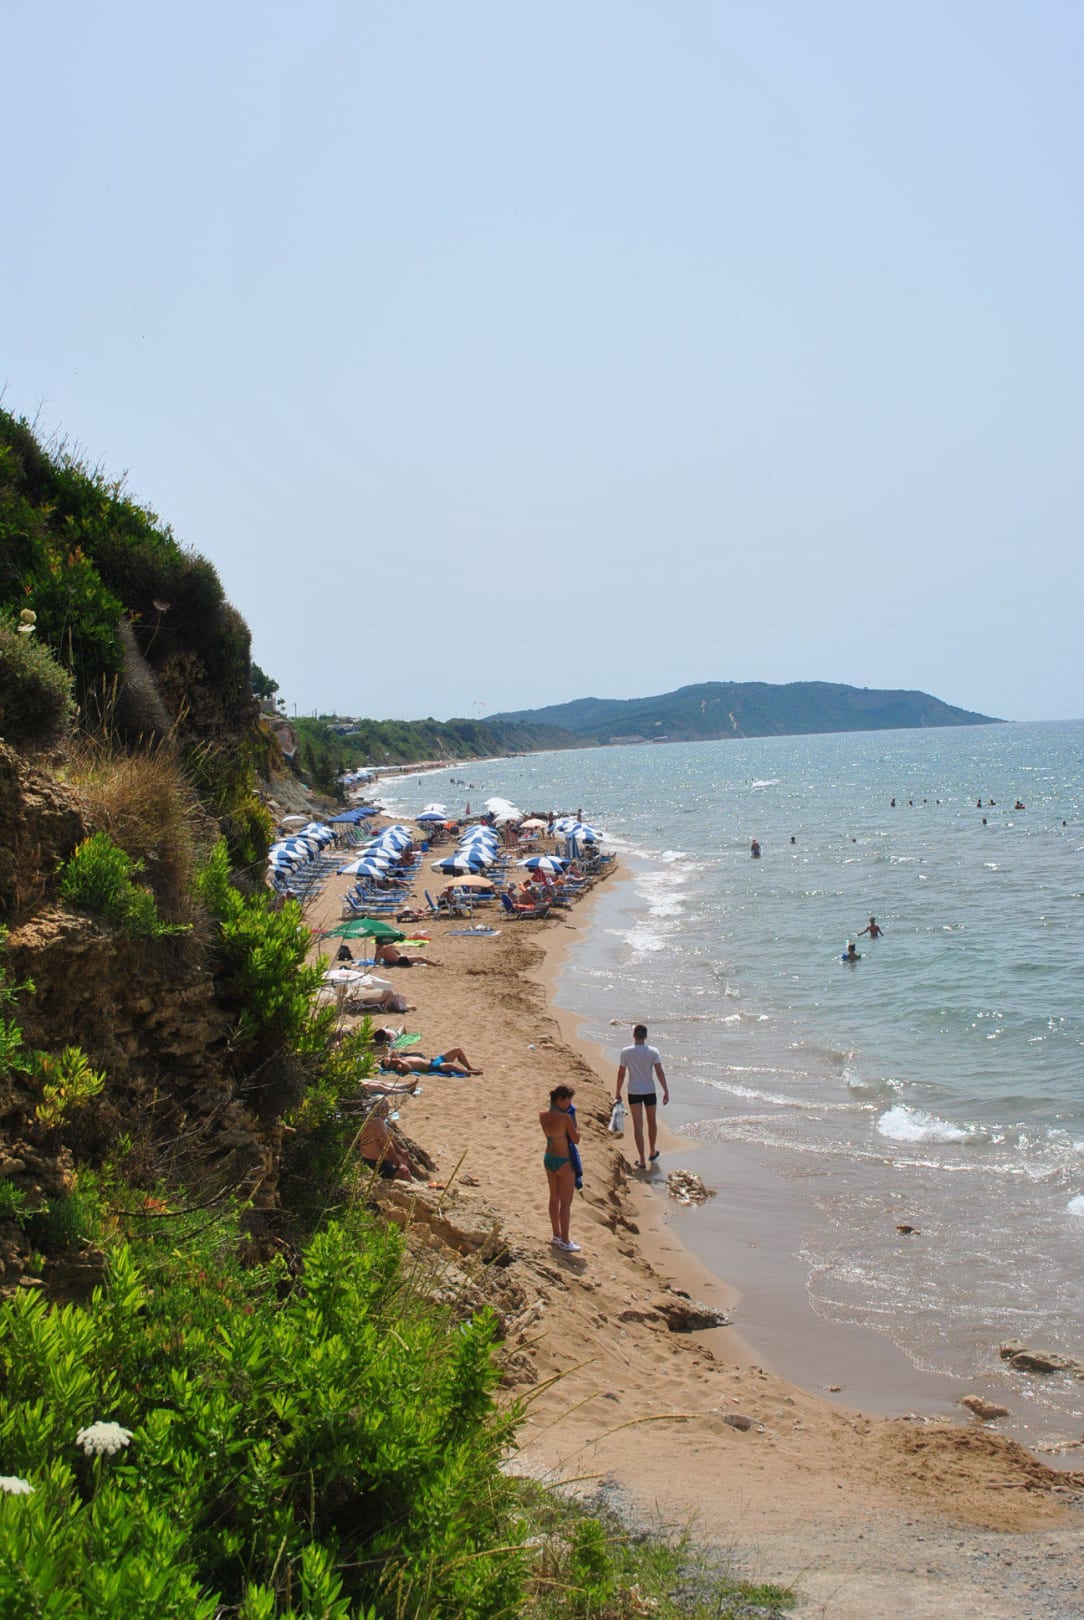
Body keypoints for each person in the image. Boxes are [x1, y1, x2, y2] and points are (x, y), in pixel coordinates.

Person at [614, 1024, 668, 1169]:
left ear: (634, 1035)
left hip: (634, 1091)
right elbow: (659, 1072)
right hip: (649, 1091)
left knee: (638, 1125)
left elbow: (621, 1073)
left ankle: (642, 1159)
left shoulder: (626, 1052)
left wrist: (618, 1091)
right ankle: (652, 1151)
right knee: (652, 1122)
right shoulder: (653, 1051)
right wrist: (666, 1090)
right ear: (646, 1036)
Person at [540, 1084, 580, 1251]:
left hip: (549, 1157)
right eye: (568, 1100)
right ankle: (565, 1240)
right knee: (565, 1202)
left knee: (553, 1197)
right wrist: (574, 1121)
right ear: (560, 1099)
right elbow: (576, 1139)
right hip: (563, 1160)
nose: (570, 1104)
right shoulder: (565, 1118)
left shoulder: (543, 1115)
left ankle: (556, 1235)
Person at [357, 1099, 422, 1181]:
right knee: (404, 1172)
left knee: (403, 1157)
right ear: (382, 1110)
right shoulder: (378, 1122)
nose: (387, 1112)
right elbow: (386, 1145)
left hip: (373, 1158)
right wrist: (399, 1164)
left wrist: (400, 1151)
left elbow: (389, 1136)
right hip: (375, 1162)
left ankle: (419, 1175)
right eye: (387, 1109)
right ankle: (413, 1181)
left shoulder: (375, 1120)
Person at [380, 1047, 482, 1077]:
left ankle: (469, 1067)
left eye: (388, 1060)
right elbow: (408, 1068)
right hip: (433, 1067)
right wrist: (396, 1061)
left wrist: (389, 1057)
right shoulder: (399, 1066)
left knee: (457, 1050)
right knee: (450, 1066)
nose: (390, 1060)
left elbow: (392, 1050)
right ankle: (468, 1072)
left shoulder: (399, 1058)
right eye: (388, 1063)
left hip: (435, 1060)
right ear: (390, 1067)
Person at [374, 941, 444, 968]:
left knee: (417, 957)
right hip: (401, 961)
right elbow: (398, 953)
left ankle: (432, 961)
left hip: (395, 961)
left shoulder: (379, 951)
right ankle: (436, 964)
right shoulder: (389, 946)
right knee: (420, 957)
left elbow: (377, 961)